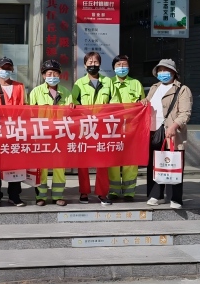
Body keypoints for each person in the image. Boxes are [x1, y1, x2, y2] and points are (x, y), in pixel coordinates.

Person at [144, 59, 192, 209]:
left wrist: (174, 126)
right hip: (153, 131)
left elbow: (185, 113)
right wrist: (143, 102)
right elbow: (147, 103)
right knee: (155, 163)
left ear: (174, 73)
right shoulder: (154, 87)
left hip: (172, 133)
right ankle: (156, 195)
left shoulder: (182, 89)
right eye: (160, 70)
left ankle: (175, 198)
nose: (163, 73)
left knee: (173, 163)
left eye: (166, 70)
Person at [29, 60, 73, 206]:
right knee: (41, 167)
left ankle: (58, 195)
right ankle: (40, 196)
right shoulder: (36, 92)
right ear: (43, 76)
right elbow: (30, 114)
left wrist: (72, 108)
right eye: (49, 73)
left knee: (59, 167)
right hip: (42, 134)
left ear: (60, 75)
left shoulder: (66, 92)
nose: (52, 76)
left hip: (60, 134)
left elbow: (71, 114)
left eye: (55, 73)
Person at [71, 51, 114, 206]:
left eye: (95, 62)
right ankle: (84, 191)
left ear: (100, 64)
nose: (93, 65)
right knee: (83, 161)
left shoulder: (108, 82)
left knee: (103, 162)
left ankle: (102, 193)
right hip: (85, 127)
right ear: (85, 65)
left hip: (103, 126)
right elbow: (73, 102)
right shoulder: (79, 83)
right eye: (90, 62)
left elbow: (115, 102)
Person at [0, 57, 26, 207]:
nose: (6, 71)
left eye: (9, 68)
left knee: (15, 164)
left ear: (12, 70)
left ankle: (14, 195)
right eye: (3, 68)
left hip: (15, 130)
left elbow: (24, 107)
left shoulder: (20, 86)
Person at [108, 55, 144, 201]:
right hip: (113, 128)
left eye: (124, 65)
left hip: (132, 127)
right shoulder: (108, 83)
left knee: (131, 159)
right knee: (113, 159)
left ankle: (129, 192)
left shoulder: (136, 83)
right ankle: (114, 191)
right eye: (119, 65)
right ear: (113, 68)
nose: (122, 67)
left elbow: (143, 104)